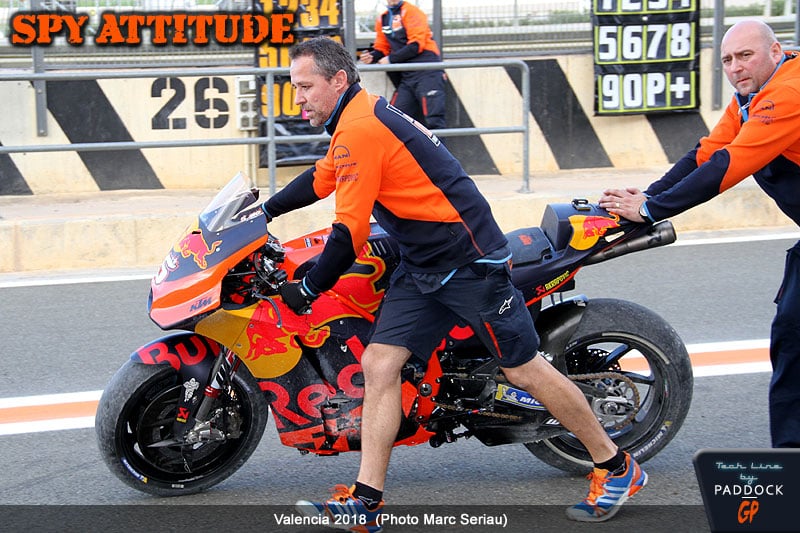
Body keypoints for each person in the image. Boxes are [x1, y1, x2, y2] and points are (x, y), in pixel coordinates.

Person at [264, 36, 646, 531]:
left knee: (525, 371)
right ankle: (366, 502)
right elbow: (321, 178)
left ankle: (616, 466)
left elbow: (349, 233)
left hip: (468, 262)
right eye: (295, 87)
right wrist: (263, 211)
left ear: (338, 80)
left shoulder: (360, 128)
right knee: (380, 364)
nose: (297, 97)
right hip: (424, 262)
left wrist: (310, 288)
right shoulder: (356, 119)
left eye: (304, 86)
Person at [600, 19, 800, 448]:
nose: (735, 67)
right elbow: (708, 153)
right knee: (793, 339)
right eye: (727, 60)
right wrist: (649, 196)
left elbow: (730, 166)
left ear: (775, 51)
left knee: (793, 340)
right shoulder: (751, 97)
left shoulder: (787, 94)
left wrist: (651, 210)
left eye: (745, 55)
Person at [359, 0, 447, 130]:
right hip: (407, 77)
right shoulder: (383, 18)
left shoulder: (412, 11)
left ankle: (440, 145)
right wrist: (372, 56)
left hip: (428, 72)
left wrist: (390, 59)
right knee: (394, 119)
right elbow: (382, 47)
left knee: (434, 120)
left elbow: (416, 45)